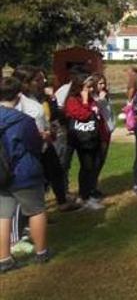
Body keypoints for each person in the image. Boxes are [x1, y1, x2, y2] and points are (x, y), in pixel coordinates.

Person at [0, 77, 51, 272]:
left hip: (1, 173)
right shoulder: (23, 120)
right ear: (18, 95)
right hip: (24, 171)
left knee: (3, 216)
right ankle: (41, 252)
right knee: (36, 210)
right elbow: (34, 145)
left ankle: (4, 258)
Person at [12, 66, 75, 212]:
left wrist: (49, 129)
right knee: (31, 182)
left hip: (44, 145)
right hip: (29, 149)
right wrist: (38, 135)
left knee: (54, 173)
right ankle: (28, 217)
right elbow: (16, 126)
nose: (43, 81)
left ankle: (50, 207)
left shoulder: (35, 97)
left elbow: (43, 117)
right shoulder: (17, 101)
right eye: (38, 79)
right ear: (26, 82)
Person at [64, 75, 109, 210]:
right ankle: (83, 197)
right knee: (86, 166)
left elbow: (97, 117)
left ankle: (87, 194)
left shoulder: (91, 99)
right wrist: (84, 101)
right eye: (87, 87)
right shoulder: (72, 100)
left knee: (90, 167)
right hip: (79, 139)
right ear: (79, 87)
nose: (90, 90)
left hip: (92, 137)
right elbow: (83, 115)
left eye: (91, 87)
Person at [90, 74, 113, 199]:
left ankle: (94, 186)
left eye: (104, 83)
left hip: (106, 131)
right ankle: (90, 188)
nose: (103, 86)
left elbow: (109, 113)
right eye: (100, 83)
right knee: (96, 161)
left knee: (101, 160)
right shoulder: (93, 97)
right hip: (97, 132)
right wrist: (100, 100)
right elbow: (95, 111)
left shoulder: (105, 96)